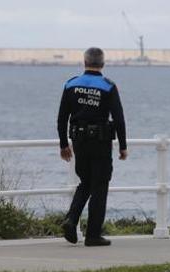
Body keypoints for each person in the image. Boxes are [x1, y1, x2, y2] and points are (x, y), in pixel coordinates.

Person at [57, 47, 127, 247]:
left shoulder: (71, 85)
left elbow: (62, 118)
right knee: (100, 186)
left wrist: (63, 144)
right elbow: (119, 119)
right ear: (102, 64)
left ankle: (71, 220)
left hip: (79, 141)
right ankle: (93, 235)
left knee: (86, 182)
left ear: (84, 62)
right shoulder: (108, 86)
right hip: (100, 142)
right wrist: (123, 146)